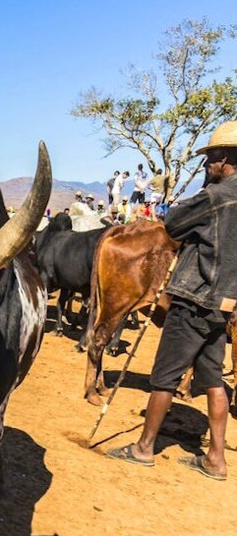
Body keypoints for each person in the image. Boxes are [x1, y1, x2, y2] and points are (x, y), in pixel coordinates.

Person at [107, 121, 237, 480]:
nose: (207, 165)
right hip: (224, 307)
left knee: (164, 377)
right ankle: (215, 459)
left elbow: (173, 224)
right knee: (213, 379)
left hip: (194, 300)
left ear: (223, 158)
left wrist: (207, 188)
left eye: (210, 158)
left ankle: (143, 448)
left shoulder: (214, 197)